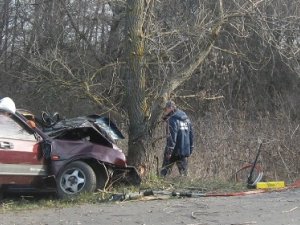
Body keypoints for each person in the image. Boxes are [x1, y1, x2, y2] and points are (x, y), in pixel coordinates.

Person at [160, 100, 194, 177]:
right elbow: (191, 135)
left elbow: (172, 137)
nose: (165, 111)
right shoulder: (187, 119)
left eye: (165, 109)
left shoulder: (172, 120)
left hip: (174, 151)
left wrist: (169, 152)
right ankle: (186, 187)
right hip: (184, 150)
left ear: (171, 108)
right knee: (185, 176)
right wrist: (191, 148)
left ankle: (160, 186)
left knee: (163, 175)